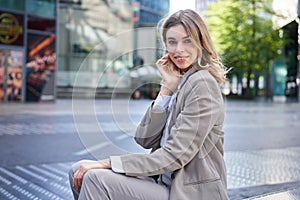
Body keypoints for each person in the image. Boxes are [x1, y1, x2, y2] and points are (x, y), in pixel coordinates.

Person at [69, 9, 229, 200]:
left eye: (187, 40)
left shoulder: (201, 84)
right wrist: (167, 89)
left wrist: (107, 163)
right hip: (161, 182)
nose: (179, 49)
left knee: (96, 178)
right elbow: (144, 139)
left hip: (187, 193)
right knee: (77, 170)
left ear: (200, 43)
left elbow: (175, 156)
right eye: (172, 42)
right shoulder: (181, 81)